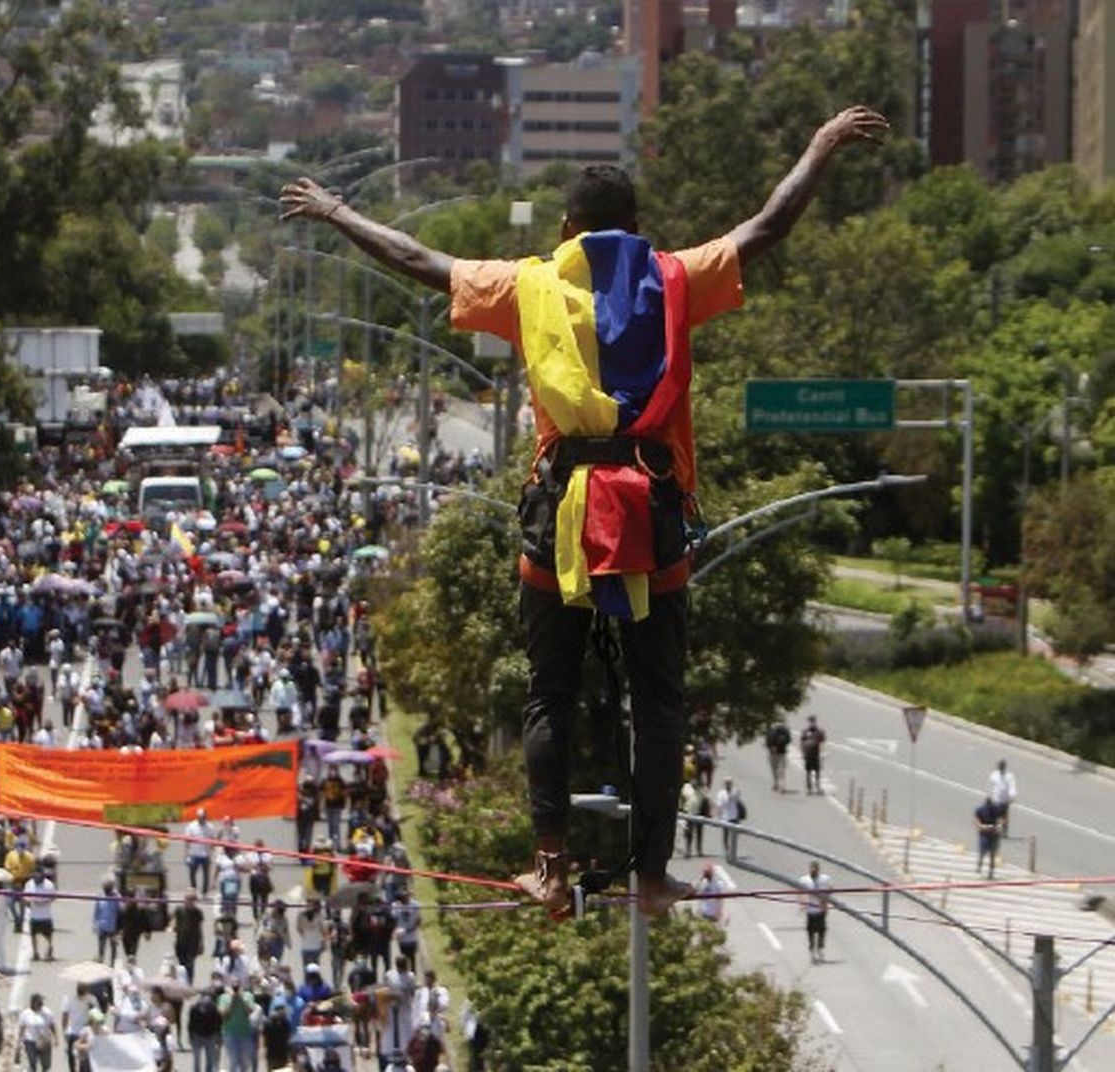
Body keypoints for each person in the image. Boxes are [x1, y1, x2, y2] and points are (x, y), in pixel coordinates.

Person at [281, 105, 888, 921]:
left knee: (549, 695)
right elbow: (768, 226)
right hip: (654, 516)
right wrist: (817, 143)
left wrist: (337, 212)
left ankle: (551, 867)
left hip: (558, 516)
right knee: (660, 699)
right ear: (638, 229)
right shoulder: (676, 275)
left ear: (566, 228)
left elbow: (420, 259)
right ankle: (650, 875)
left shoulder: (528, 283)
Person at [799, 861, 831, 964]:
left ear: (818, 870)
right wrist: (803, 902)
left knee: (822, 931)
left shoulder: (824, 879)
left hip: (821, 910)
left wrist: (825, 900)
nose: (813, 871)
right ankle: (812, 952)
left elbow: (830, 889)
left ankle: (820, 949)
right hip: (810, 910)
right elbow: (799, 891)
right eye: (812, 869)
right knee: (811, 932)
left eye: (815, 870)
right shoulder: (804, 880)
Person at [24, 865, 57, 961]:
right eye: (35, 875)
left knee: (48, 935)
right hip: (34, 915)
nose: (37, 877)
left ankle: (49, 950)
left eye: (39, 875)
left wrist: (43, 902)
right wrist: (29, 902)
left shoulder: (49, 884)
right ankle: (35, 953)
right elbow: (25, 896)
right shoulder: (29, 884)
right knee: (33, 935)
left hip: (45, 915)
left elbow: (53, 897)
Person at [19, 992, 57, 1072]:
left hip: (44, 1041)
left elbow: (52, 1025)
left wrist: (56, 1037)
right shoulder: (26, 1014)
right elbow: (22, 1027)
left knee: (46, 1065)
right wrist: (19, 1041)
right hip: (30, 1041)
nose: (41, 1004)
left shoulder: (47, 1012)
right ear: (33, 1003)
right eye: (39, 1003)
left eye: (42, 1003)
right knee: (32, 1062)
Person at [188, 988, 223, 1072]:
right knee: (210, 1060)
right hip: (210, 1036)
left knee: (197, 1059)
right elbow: (218, 1022)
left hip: (197, 1035)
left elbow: (191, 1023)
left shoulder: (194, 1006)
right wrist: (218, 1035)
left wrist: (190, 1036)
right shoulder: (214, 1007)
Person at [975, 794, 1005, 879]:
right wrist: (981, 826)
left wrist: (1000, 826)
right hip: (984, 833)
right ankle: (980, 864)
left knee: (992, 853)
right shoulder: (980, 810)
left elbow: (1002, 819)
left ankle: (991, 872)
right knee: (983, 850)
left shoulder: (996, 810)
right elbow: (976, 819)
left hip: (994, 833)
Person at [987, 759, 1018, 837]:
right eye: (1000, 767)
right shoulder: (994, 775)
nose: (1001, 769)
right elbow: (990, 785)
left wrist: (1012, 796)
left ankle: (1004, 831)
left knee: (1004, 816)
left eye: (1002, 767)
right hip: (995, 798)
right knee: (994, 815)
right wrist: (988, 795)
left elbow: (1012, 786)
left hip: (1004, 800)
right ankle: (993, 830)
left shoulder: (1009, 776)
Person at [714, 778, 745, 855]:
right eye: (727, 783)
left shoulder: (735, 792)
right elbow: (719, 806)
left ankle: (732, 850)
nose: (728, 785)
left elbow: (738, 797)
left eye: (729, 783)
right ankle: (727, 851)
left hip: (734, 816)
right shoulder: (721, 794)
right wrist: (718, 816)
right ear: (724, 784)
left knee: (734, 835)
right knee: (725, 835)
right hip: (725, 817)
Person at [799, 716, 827, 796]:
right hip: (808, 754)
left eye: (813, 721)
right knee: (808, 772)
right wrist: (802, 753)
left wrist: (823, 753)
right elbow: (802, 742)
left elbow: (823, 742)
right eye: (810, 722)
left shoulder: (819, 732)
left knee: (817, 771)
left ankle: (818, 787)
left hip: (816, 754)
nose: (812, 723)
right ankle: (809, 788)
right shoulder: (805, 732)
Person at [765, 721, 791, 792]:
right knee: (781, 770)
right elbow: (789, 740)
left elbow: (767, 742)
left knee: (774, 769)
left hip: (773, 753)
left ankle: (776, 783)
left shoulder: (771, 731)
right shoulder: (784, 731)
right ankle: (782, 785)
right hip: (782, 752)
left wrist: (770, 747)